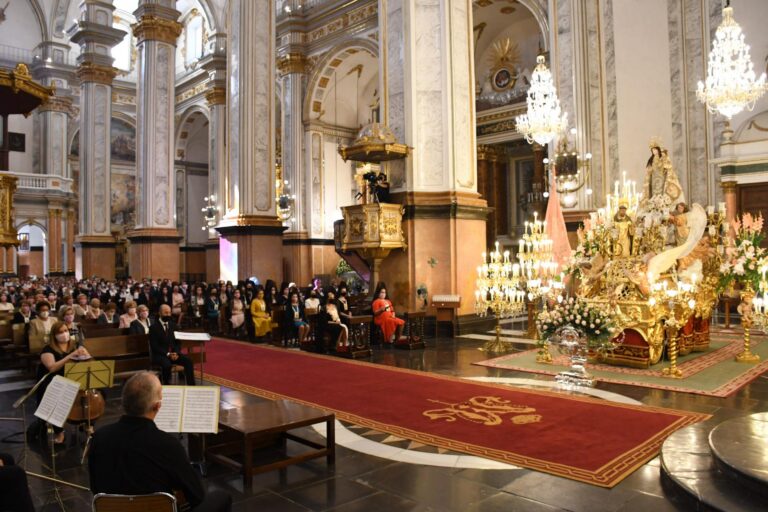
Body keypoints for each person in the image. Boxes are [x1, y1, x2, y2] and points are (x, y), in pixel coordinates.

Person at [88, 372, 231, 512]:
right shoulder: (168, 445)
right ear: (157, 406)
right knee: (222, 497)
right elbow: (197, 496)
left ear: (123, 401)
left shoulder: (99, 437)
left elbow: (95, 487)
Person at [37, 321, 91, 443]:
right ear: (54, 335)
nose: (64, 334)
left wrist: (85, 354)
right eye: (60, 332)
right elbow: (52, 367)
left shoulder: (75, 344)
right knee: (57, 397)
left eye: (66, 331)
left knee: (98, 393)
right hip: (54, 380)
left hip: (73, 377)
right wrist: (71, 355)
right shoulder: (48, 349)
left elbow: (89, 360)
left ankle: (88, 423)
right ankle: (59, 432)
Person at [149, 304, 195, 385]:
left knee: (188, 361)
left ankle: (191, 385)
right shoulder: (153, 328)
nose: (168, 315)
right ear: (160, 313)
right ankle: (166, 385)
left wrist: (176, 352)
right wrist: (168, 354)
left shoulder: (173, 325)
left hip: (174, 354)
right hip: (161, 355)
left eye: (169, 313)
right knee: (167, 365)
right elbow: (154, 346)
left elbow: (178, 342)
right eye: (165, 312)